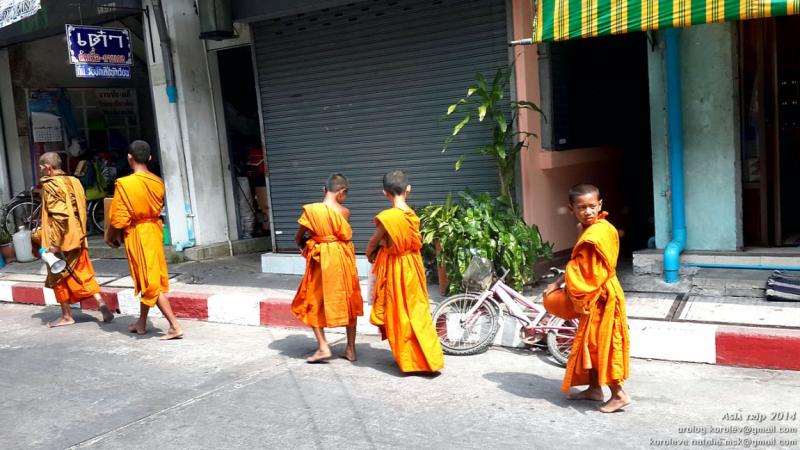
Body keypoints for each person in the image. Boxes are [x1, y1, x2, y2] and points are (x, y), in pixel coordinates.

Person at [544, 184, 631, 413]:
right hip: (592, 295)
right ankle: (594, 389)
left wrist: (563, 283)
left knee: (602, 344)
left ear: (600, 205)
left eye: (592, 206)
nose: (588, 212)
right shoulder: (584, 229)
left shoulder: (600, 231)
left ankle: (619, 394)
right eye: (581, 207)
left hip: (603, 295)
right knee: (588, 342)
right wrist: (557, 283)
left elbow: (588, 272)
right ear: (571, 209)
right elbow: (579, 264)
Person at [366, 170, 444, 373]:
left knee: (398, 311)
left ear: (384, 193)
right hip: (413, 265)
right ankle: (428, 358)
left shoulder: (388, 217)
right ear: (408, 189)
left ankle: (409, 359)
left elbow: (373, 242)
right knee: (417, 310)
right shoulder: (412, 215)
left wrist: (370, 254)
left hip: (395, 268)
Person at [106, 141, 183, 340]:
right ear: (150, 158)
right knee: (148, 276)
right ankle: (141, 323)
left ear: (129, 158)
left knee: (149, 282)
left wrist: (111, 236)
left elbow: (119, 218)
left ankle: (174, 326)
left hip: (138, 232)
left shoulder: (125, 184)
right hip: (155, 230)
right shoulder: (157, 181)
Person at [33, 152, 114, 327]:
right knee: (82, 271)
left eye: (41, 168)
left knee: (58, 276)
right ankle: (100, 302)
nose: (40, 171)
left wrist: (54, 244)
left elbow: (60, 215)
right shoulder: (75, 181)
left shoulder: (50, 185)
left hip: (62, 240)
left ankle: (67, 315)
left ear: (48, 168)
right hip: (79, 235)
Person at [292, 174, 363, 363]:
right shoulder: (345, 212)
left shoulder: (311, 211)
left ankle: (323, 347)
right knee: (349, 299)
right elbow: (343, 236)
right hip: (341, 259)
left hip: (320, 260)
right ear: (342, 192)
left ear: (324, 190)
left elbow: (298, 238)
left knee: (313, 299)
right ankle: (350, 349)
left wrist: (310, 246)